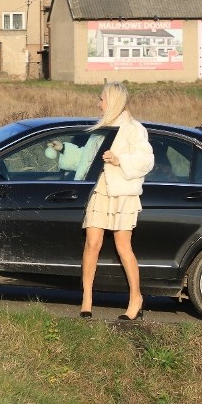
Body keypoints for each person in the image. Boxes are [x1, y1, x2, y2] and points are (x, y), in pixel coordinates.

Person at [48, 82, 154, 320]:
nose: (98, 103)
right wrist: (64, 148)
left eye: (102, 99)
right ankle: (87, 298)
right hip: (99, 191)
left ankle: (136, 298)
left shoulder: (134, 129)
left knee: (123, 247)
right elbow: (86, 160)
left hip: (123, 193)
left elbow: (146, 161)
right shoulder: (101, 129)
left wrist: (119, 160)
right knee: (92, 244)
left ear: (113, 101)